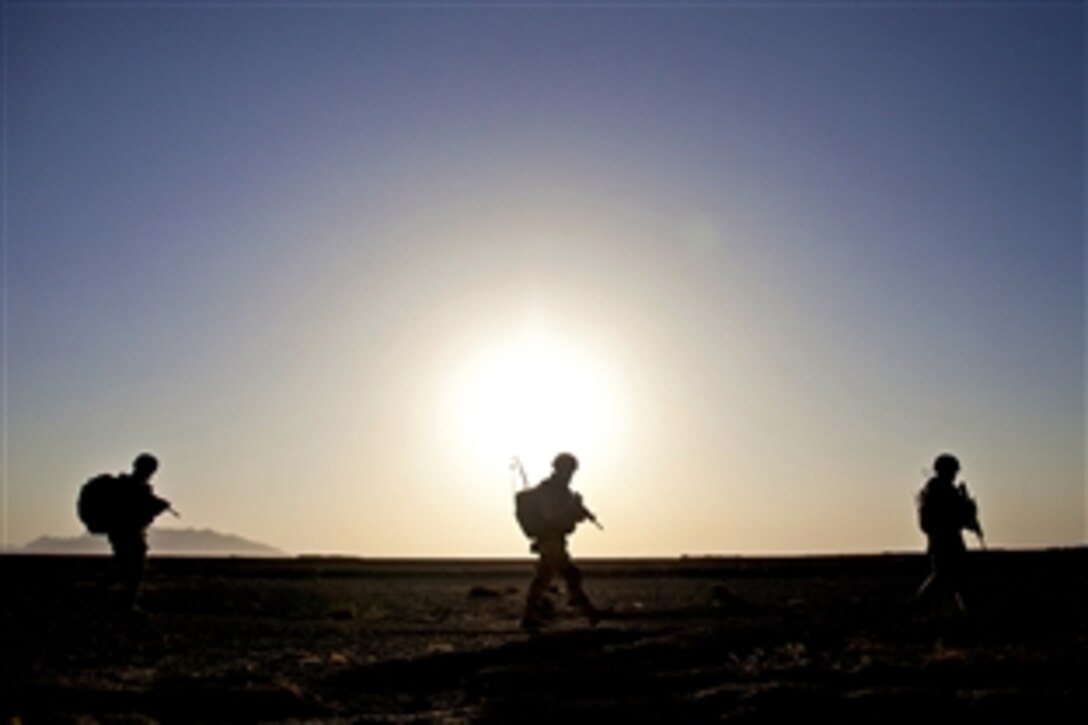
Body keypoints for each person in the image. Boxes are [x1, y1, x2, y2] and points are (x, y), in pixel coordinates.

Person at [519, 452, 602, 632]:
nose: (571, 475)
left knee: (542, 579)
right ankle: (589, 613)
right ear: (561, 469)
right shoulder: (549, 490)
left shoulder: (561, 490)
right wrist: (571, 507)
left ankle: (528, 617)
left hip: (554, 540)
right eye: (569, 470)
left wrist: (578, 513)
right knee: (571, 574)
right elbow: (551, 516)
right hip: (550, 540)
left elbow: (564, 516)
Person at [913, 453, 983, 619]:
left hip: (945, 541)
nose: (955, 474)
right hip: (945, 542)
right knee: (945, 577)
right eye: (953, 470)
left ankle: (956, 614)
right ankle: (922, 608)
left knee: (952, 579)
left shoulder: (937, 491)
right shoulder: (941, 492)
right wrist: (968, 511)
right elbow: (953, 517)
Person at [105, 453, 172, 611]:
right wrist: (156, 508)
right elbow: (139, 513)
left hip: (122, 534)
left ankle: (123, 601)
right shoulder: (135, 488)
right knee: (132, 568)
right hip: (128, 534)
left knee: (127, 567)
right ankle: (125, 603)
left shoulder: (127, 486)